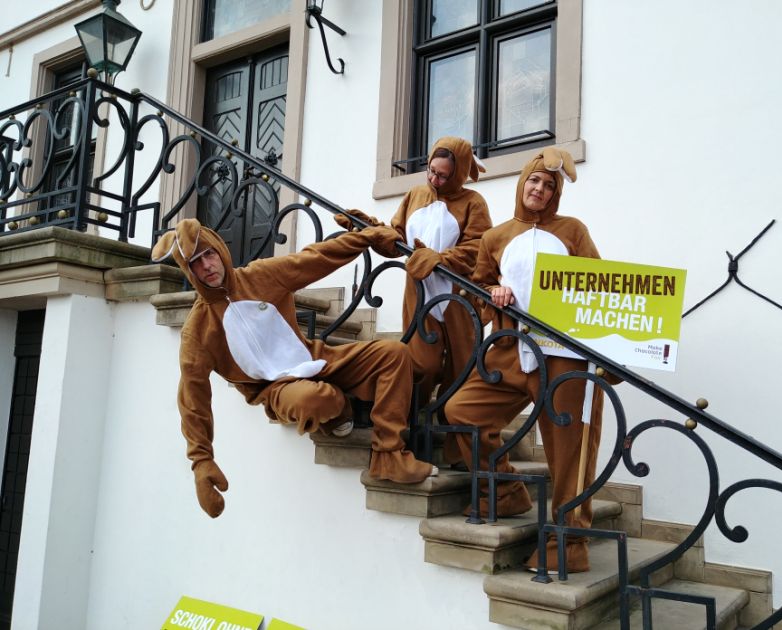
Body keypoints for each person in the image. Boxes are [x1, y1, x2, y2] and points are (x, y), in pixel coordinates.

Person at [152, 219, 437, 518]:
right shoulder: (197, 331)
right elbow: (193, 398)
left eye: (209, 254)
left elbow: (316, 258)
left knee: (394, 353)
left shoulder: (259, 275)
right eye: (196, 263)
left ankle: (388, 455)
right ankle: (337, 410)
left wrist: (367, 237)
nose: (207, 265)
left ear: (220, 250)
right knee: (318, 399)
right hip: (276, 389)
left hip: (314, 357)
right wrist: (201, 461)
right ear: (188, 271)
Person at [444, 147, 613, 574]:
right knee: (460, 410)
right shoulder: (495, 237)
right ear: (522, 183)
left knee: (569, 447)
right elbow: (478, 291)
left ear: (556, 194)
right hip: (509, 349)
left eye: (549, 185)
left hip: (562, 356)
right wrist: (493, 295)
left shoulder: (573, 230)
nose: (539, 189)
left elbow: (600, 287)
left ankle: (570, 543)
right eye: (534, 181)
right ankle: (504, 491)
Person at [337, 137, 491, 464]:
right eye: (431, 171)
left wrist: (440, 258)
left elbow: (479, 248)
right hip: (420, 297)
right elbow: (396, 238)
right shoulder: (414, 195)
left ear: (460, 173)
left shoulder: (473, 203)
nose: (435, 180)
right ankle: (406, 427)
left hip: (459, 301)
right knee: (422, 364)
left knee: (461, 372)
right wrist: (365, 227)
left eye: (444, 175)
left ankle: (459, 454)